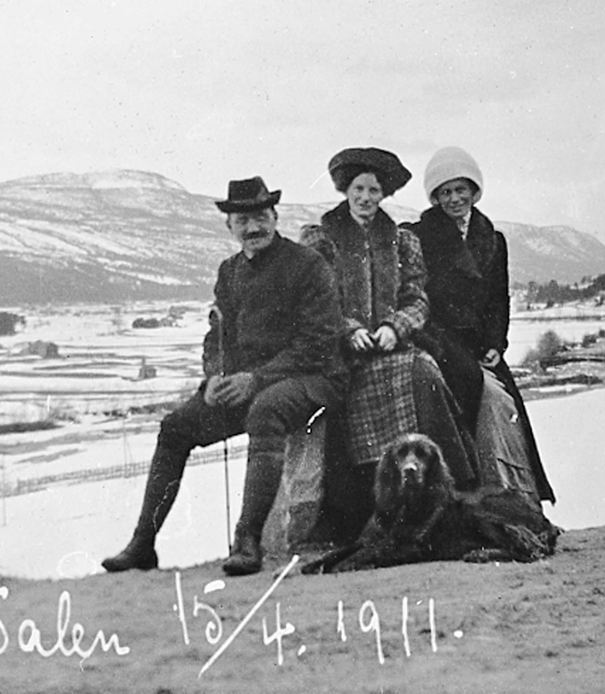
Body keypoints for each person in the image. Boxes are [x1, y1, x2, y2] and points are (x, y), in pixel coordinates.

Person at [101, 176, 348, 576]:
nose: (253, 228)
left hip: (316, 380)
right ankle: (142, 544)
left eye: (261, 217)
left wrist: (255, 379)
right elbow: (217, 336)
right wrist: (214, 376)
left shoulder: (308, 266)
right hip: (254, 383)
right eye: (243, 221)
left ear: (274, 216)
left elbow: (318, 344)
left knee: (265, 411)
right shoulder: (229, 272)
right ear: (229, 227)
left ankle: (248, 542)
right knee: (176, 426)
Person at [310, 147, 478, 542]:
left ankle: (454, 484)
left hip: (393, 346)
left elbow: (417, 299)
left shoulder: (402, 241)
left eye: (374, 190)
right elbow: (318, 301)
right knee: (338, 402)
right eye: (359, 189)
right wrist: (349, 330)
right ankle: (356, 511)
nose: (366, 198)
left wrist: (394, 327)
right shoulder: (322, 240)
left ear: (384, 194)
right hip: (344, 351)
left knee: (426, 373)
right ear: (345, 191)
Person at [406, 146, 555, 506]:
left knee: (509, 403)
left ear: (474, 191)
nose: (454, 199)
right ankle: (468, 487)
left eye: (461, 190)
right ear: (435, 197)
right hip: (439, 337)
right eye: (445, 192)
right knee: (468, 387)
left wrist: (495, 343)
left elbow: (498, 299)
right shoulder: (420, 235)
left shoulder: (493, 239)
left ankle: (521, 497)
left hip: (478, 342)